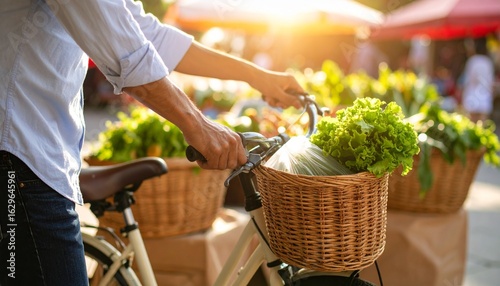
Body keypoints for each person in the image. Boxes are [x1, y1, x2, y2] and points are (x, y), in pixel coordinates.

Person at [0, 1, 304, 285]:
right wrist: (198, 125)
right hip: (18, 153)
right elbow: (126, 53)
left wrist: (256, 75)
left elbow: (145, 32)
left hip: (35, 150)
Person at [458, 37, 495, 123]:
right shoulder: (488, 62)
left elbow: (466, 80)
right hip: (485, 97)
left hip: (472, 97)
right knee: (482, 127)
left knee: (471, 126)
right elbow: (490, 82)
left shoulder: (472, 61)